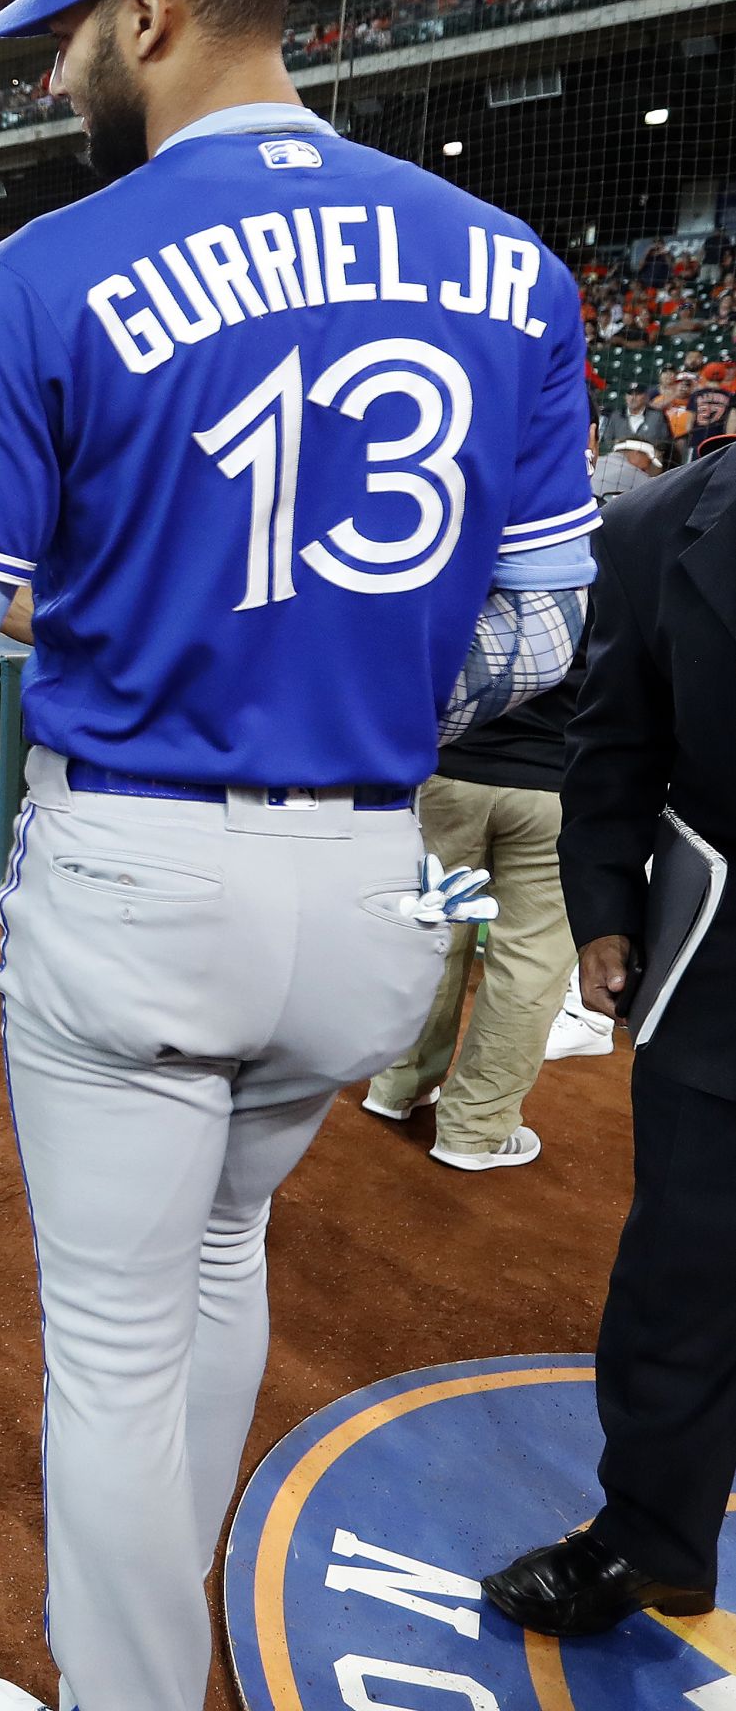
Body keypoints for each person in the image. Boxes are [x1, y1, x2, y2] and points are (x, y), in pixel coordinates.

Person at [0, 0, 598, 1711]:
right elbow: (538, 636)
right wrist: (336, 687)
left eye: (63, 32)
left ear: (153, 3)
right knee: (217, 1260)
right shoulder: (511, 259)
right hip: (371, 886)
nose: (49, 74)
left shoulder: (44, 273)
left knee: (112, 1344)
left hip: (137, 878)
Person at [485, 430, 736, 1635]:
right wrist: (602, 906)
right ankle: (650, 1538)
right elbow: (614, 738)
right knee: (681, 1273)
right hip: (726, 952)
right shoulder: (651, 526)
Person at [362, 659, 584, 1169]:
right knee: (530, 962)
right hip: (557, 786)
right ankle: (474, 1132)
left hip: (450, 772)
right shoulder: (618, 580)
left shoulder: (467, 572)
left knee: (430, 931)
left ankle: (398, 1086)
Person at [597, 381, 674, 469]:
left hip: (649, 466)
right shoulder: (616, 416)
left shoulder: (657, 416)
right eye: (630, 394)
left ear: (646, 397)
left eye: (637, 394)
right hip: (620, 465)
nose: (633, 398)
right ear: (625, 397)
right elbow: (608, 440)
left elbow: (666, 442)